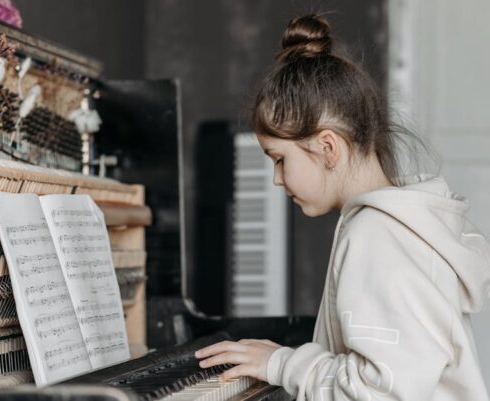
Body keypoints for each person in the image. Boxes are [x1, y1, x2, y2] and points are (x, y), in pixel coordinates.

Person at [194, 14, 490, 401]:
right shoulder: (402, 223)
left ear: (328, 147)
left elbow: (379, 393)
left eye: (279, 159)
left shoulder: (377, 235)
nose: (277, 179)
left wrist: (283, 364)